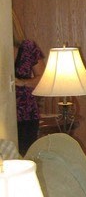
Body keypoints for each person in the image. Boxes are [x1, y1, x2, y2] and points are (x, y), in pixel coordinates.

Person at [13, 10, 45, 154]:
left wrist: (22, 82)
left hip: (26, 113)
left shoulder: (28, 47)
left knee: (25, 156)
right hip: (4, 112)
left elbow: (42, 79)